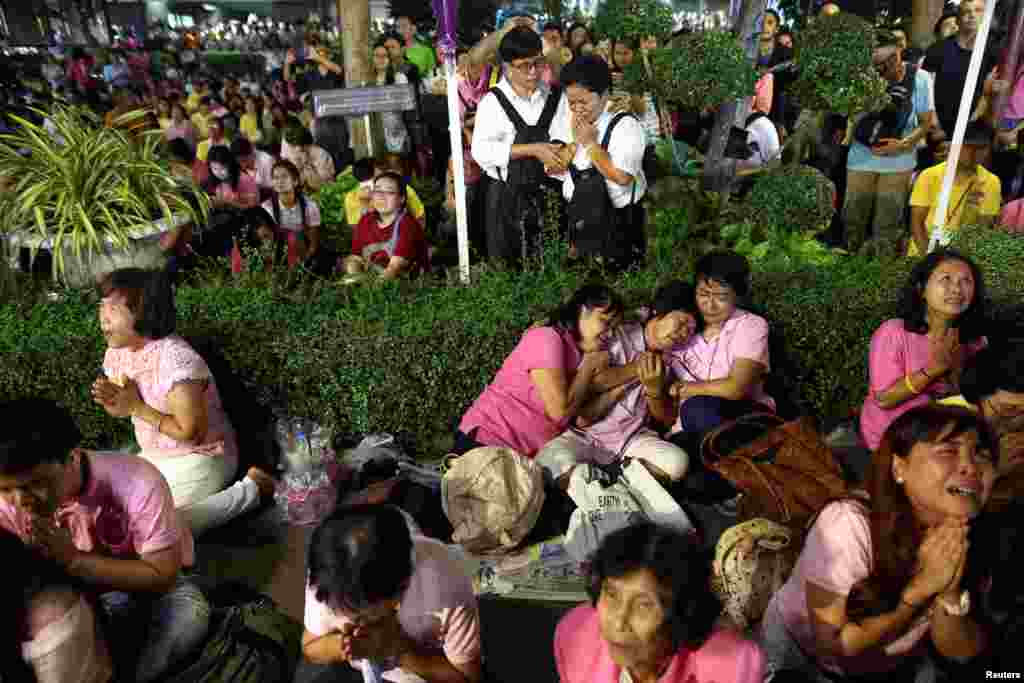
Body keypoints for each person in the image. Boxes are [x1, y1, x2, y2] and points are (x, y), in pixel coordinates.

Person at [760, 404, 996, 681]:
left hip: (892, 664)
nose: (971, 466)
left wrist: (949, 593)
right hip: (805, 660)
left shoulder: (978, 533)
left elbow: (962, 652)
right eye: (948, 451)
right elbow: (835, 646)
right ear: (899, 468)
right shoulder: (848, 524)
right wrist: (921, 589)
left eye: (981, 453)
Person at [0, 398, 210, 682]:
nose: (21, 501)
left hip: (151, 590)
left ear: (72, 457)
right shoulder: (6, 506)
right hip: (76, 598)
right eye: (7, 489)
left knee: (188, 618)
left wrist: (73, 560)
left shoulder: (138, 482)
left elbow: (163, 576)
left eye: (36, 484)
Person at [90, 269, 276, 534]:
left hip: (201, 457)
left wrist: (135, 407)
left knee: (156, 528)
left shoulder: (175, 360)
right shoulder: (119, 353)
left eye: (114, 307)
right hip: (156, 457)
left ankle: (253, 489)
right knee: (109, 513)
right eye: (102, 305)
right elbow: (126, 410)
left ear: (144, 310)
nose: (103, 316)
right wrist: (116, 403)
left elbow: (190, 433)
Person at [555, 523, 766, 683]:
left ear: (681, 614)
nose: (619, 623)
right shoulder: (576, 637)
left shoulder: (731, 667)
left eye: (643, 605)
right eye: (611, 595)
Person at [536, 281, 696, 488]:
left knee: (677, 463)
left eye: (690, 331)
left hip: (632, 439)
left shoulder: (671, 362)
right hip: (587, 436)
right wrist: (632, 375)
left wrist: (654, 391)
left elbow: (665, 419)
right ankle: (619, 486)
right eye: (682, 322)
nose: (683, 333)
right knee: (549, 462)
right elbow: (590, 384)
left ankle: (603, 486)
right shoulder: (615, 334)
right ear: (661, 311)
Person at [302, 505, 482, 681]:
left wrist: (398, 650)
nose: (348, 621)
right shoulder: (328, 577)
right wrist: (345, 647)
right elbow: (310, 647)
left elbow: (467, 678)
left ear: (401, 591)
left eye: (359, 617)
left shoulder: (445, 580)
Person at [456, 284, 623, 457]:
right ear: (581, 310)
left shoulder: (576, 351)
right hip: (486, 444)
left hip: (523, 458)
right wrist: (588, 367)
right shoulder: (547, 338)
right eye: (606, 322)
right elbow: (559, 412)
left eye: (614, 328)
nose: (610, 334)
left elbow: (581, 417)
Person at [860, 249, 988, 451]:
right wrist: (934, 370)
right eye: (946, 279)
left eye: (966, 281)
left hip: (949, 438)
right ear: (921, 289)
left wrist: (955, 371)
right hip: (894, 439)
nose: (956, 289)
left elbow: (970, 400)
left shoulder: (975, 341)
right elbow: (884, 399)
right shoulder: (894, 332)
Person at [471, 26, 572, 265]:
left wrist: (560, 154)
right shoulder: (492, 103)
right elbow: (481, 151)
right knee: (509, 268)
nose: (533, 72)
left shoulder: (557, 97)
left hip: (550, 195)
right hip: (506, 199)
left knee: (551, 263)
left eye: (538, 63)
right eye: (524, 66)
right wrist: (534, 149)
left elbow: (567, 138)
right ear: (507, 66)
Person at [667, 251, 776, 447]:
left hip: (742, 418)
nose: (710, 305)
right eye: (703, 294)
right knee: (684, 443)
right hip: (691, 428)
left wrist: (685, 389)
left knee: (696, 408)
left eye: (721, 296)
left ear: (737, 295)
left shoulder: (751, 325)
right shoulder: (681, 328)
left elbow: (736, 388)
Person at [844, 34, 935, 257]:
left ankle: (881, 271)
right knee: (853, 217)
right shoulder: (862, 78)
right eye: (879, 63)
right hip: (861, 157)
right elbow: (851, 116)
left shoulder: (920, 78)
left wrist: (902, 145)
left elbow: (926, 123)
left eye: (891, 59)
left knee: (888, 222)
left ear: (900, 51)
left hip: (899, 161)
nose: (887, 67)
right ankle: (848, 263)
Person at [557, 55, 647, 268]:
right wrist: (569, 147)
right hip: (579, 217)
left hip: (616, 223)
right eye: (571, 102)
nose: (577, 109)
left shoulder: (625, 125)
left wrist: (590, 144)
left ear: (605, 94)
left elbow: (622, 177)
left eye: (584, 102)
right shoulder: (567, 118)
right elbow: (555, 165)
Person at [908, 121, 1001, 257]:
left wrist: (971, 208)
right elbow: (917, 224)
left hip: (962, 257)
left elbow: (981, 230)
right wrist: (929, 259)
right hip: (922, 253)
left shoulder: (991, 182)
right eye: (968, 146)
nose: (973, 153)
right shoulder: (929, 175)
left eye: (981, 148)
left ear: (989, 149)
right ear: (954, 146)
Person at [923, 0, 997, 145]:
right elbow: (926, 89)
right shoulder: (938, 49)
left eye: (978, 10)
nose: (972, 15)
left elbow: (987, 95)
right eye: (966, 12)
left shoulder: (993, 52)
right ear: (957, 19)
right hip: (939, 130)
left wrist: (969, 126)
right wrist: (935, 125)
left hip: (974, 132)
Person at [344, 172, 430, 281]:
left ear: (401, 199)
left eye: (389, 192)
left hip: (406, 289)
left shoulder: (407, 225)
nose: (381, 197)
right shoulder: (365, 220)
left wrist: (369, 291)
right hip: (373, 284)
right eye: (378, 191)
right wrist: (354, 277)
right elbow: (355, 257)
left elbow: (394, 269)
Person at [264, 159, 322, 265]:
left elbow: (313, 243)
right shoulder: (267, 208)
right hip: (278, 254)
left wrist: (304, 262)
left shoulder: (310, 206)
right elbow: (266, 243)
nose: (280, 181)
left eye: (284, 176)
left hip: (303, 252)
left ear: (295, 181)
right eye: (276, 178)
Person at [344, 157, 427, 228]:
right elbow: (357, 232)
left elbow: (420, 217)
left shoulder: (401, 188)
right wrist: (365, 204)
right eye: (379, 176)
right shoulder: (352, 197)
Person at [371, 40, 411, 155]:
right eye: (377, 56)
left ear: (390, 59)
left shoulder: (399, 78)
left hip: (396, 134)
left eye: (384, 56)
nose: (381, 59)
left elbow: (405, 104)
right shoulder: (367, 81)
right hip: (375, 134)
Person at [230, 206, 293, 274]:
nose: (266, 245)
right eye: (257, 242)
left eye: (266, 236)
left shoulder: (288, 244)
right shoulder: (240, 254)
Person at [284, 32, 344, 97]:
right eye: (312, 45)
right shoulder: (308, 72)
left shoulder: (332, 63)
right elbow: (288, 79)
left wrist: (317, 57)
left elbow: (338, 70)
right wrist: (287, 64)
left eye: (315, 44)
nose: (315, 49)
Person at [281, 125, 336, 193]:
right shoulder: (292, 155)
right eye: (293, 146)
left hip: (324, 192)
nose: (297, 149)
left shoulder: (321, 155)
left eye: (302, 145)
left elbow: (325, 185)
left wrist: (307, 165)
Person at [205, 145, 259, 211]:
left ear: (230, 164)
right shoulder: (216, 181)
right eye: (215, 168)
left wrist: (228, 203)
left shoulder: (243, 180)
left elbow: (253, 206)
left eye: (222, 168)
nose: (218, 172)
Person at [395, 15, 437, 80]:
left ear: (413, 28)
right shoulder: (391, 49)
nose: (400, 30)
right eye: (398, 27)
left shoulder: (426, 50)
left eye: (404, 26)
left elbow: (432, 76)